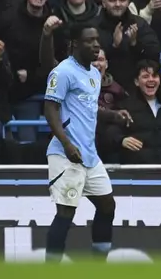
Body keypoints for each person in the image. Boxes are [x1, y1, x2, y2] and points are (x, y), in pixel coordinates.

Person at [43, 23, 115, 262]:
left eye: (97, 40)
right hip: (65, 153)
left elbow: (89, 107)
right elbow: (50, 108)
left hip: (89, 155)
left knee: (107, 206)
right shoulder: (63, 71)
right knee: (66, 212)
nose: (96, 45)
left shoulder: (94, 73)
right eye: (89, 40)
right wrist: (66, 144)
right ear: (74, 44)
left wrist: (114, 115)